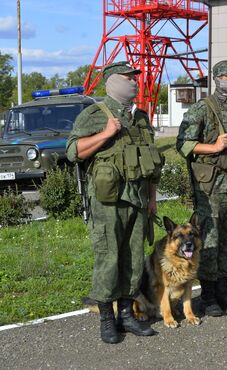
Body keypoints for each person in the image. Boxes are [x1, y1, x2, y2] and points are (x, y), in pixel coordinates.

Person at [66, 61, 163, 344]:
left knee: (132, 260)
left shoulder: (141, 118)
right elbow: (73, 151)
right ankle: (107, 319)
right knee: (108, 259)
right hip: (108, 201)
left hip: (138, 199)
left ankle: (126, 316)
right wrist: (106, 133)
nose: (134, 81)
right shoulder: (94, 115)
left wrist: (153, 199)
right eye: (128, 77)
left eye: (136, 77)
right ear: (111, 81)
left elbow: (153, 164)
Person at [176, 60, 227, 317]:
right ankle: (207, 296)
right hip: (210, 188)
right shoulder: (202, 109)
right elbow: (183, 144)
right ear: (217, 78)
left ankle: (223, 290)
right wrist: (213, 148)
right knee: (209, 240)